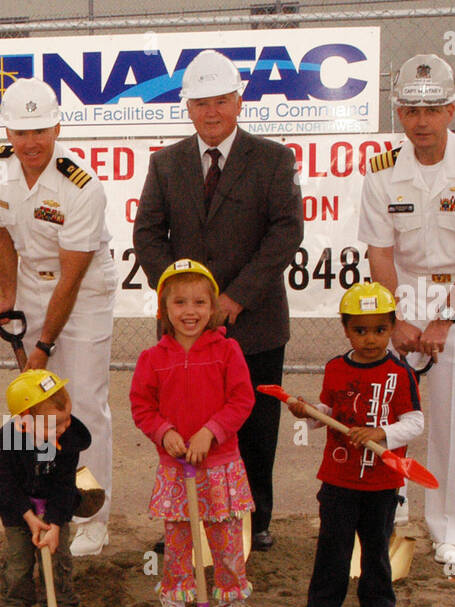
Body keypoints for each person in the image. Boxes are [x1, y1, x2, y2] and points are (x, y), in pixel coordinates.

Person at [134, 50, 303, 553]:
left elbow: (285, 233)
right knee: (184, 428)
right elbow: (147, 235)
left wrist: (233, 298)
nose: (211, 112)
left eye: (221, 101)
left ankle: (255, 520)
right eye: (201, 103)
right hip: (183, 331)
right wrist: (182, 302)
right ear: (187, 107)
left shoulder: (274, 159)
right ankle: (185, 520)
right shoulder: (165, 164)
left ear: (239, 101)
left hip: (256, 323)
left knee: (253, 429)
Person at [357, 54, 455, 568]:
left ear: (452, 110)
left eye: (432, 110)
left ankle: (450, 531)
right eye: (409, 110)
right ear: (398, 113)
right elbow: (379, 251)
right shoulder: (383, 171)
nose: (421, 121)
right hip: (403, 296)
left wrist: (444, 320)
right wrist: (395, 320)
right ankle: (389, 514)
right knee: (387, 415)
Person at [0, 78, 117, 557]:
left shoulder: (81, 186)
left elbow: (72, 278)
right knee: (37, 414)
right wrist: (6, 296)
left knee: (82, 406)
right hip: (34, 288)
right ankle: (45, 504)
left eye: (40, 130)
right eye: (21, 132)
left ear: (57, 126)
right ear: (8, 133)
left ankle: (93, 515)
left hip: (81, 292)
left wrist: (40, 349)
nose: (31, 142)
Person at [130, 259, 261, 607]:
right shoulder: (152, 359)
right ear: (164, 310)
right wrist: (163, 431)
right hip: (176, 470)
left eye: (200, 303)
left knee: (227, 541)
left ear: (213, 307)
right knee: (177, 542)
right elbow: (142, 406)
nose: (190, 312)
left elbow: (241, 400)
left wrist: (211, 432)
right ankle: (172, 605)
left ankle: (232, 602)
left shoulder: (228, 351)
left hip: (221, 466)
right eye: (181, 303)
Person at [286, 283, 425, 607]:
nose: (370, 339)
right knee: (334, 542)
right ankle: (324, 602)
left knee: (376, 544)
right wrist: (309, 413)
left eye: (380, 330)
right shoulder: (335, 368)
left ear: (392, 327)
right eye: (360, 331)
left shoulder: (402, 373)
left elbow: (415, 423)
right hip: (338, 476)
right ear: (346, 330)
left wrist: (382, 433)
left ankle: (378, 600)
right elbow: (331, 412)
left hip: (382, 480)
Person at [0, 370, 91, 607]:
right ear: (25, 421)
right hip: (17, 509)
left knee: (59, 558)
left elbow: (64, 486)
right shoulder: (9, 440)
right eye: (54, 424)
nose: (64, 427)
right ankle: (15, 603)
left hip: (55, 505)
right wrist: (28, 515)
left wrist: (55, 524)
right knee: (18, 559)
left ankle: (62, 606)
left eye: (66, 418)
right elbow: (4, 482)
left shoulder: (68, 439)